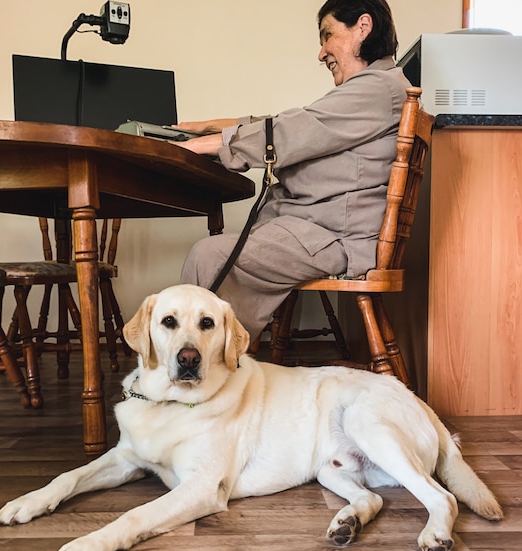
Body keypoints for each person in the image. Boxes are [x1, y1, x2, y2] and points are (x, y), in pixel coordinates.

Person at [175, 0, 412, 339]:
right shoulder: (380, 86)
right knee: (216, 253)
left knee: (209, 254)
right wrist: (216, 128)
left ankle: (194, 372)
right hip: (325, 230)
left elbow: (298, 129)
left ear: (363, 26)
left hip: (334, 238)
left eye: (327, 35)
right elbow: (298, 122)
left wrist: (204, 145)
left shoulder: (378, 88)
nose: (321, 53)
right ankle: (211, 362)